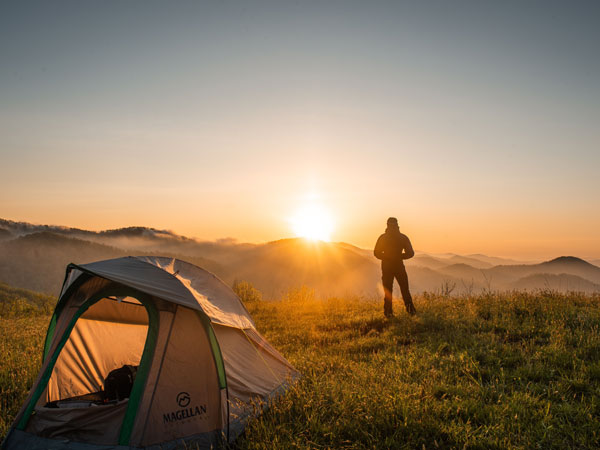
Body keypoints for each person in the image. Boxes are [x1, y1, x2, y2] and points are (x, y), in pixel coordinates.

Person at [374, 217, 416, 317]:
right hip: (399, 266)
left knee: (388, 291)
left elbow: (376, 253)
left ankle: (388, 313)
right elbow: (410, 253)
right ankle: (411, 312)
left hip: (386, 267)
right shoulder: (403, 237)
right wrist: (399, 256)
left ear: (387, 225)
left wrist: (387, 257)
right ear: (397, 225)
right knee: (405, 289)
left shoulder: (383, 238)